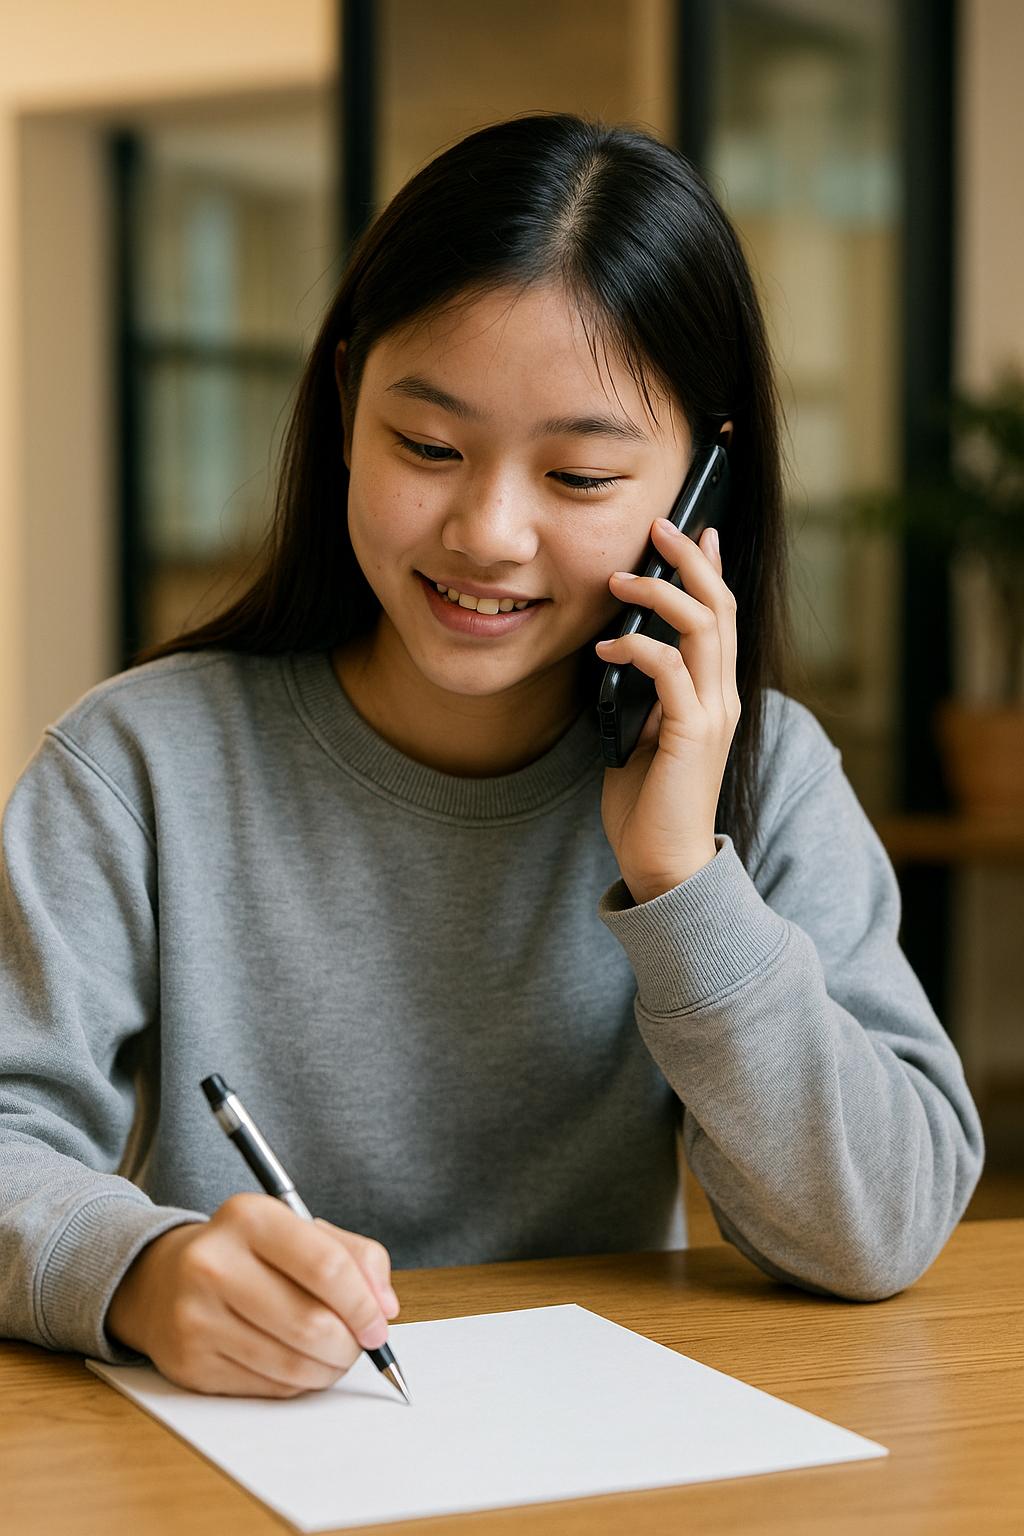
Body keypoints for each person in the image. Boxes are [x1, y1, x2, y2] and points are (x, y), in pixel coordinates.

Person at [0, 112, 983, 1400]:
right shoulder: (138, 765)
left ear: (700, 495)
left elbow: (883, 1228)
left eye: (579, 476)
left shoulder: (761, 773)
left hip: (600, 1455)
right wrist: (140, 1271)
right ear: (348, 401)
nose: (489, 532)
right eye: (427, 447)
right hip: (241, 1455)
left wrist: (687, 884)